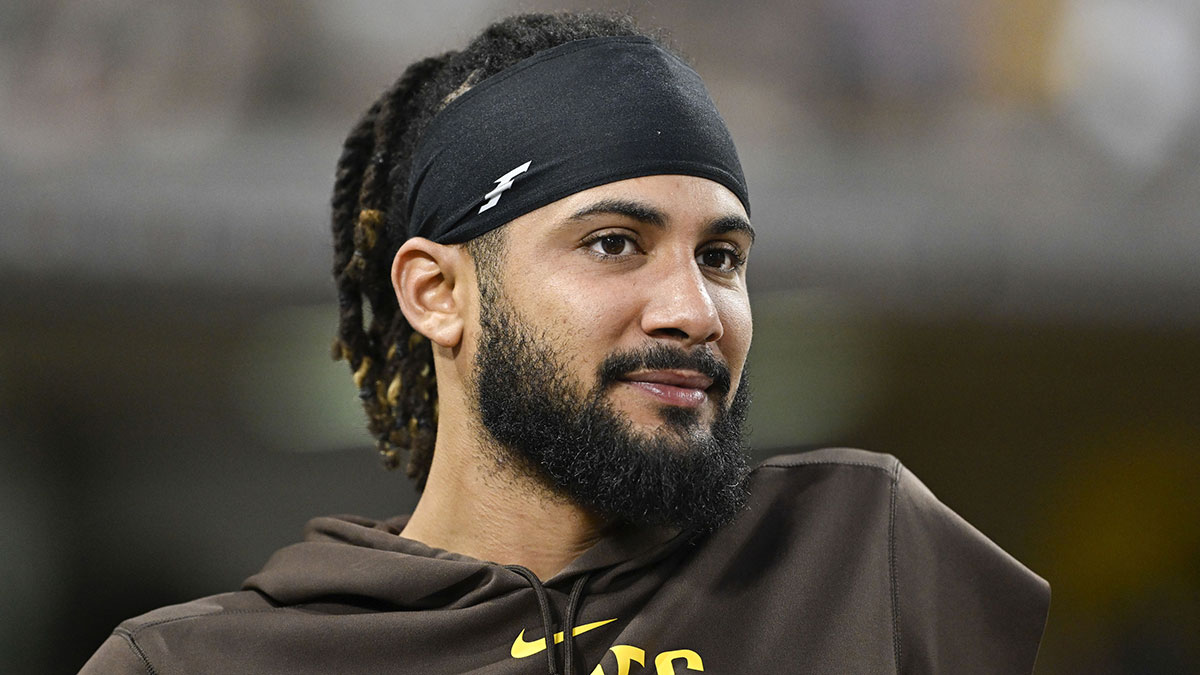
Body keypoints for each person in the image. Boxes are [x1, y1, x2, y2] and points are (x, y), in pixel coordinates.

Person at [81, 12, 1049, 674]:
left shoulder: (856, 551)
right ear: (437, 294)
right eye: (615, 244)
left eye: (719, 257)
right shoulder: (203, 664)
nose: (693, 310)